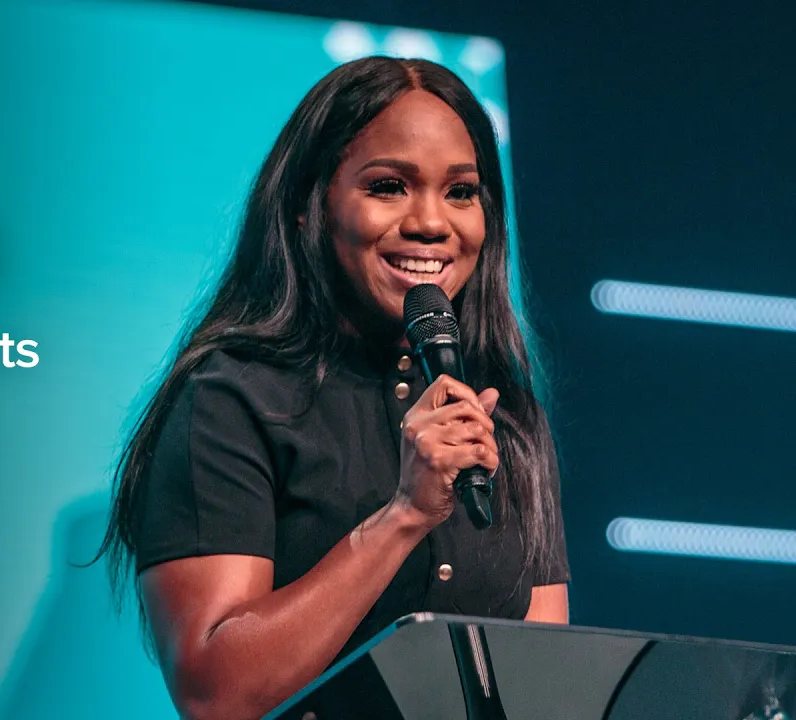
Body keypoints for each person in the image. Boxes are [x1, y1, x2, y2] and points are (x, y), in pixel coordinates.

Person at [96, 56, 570, 720]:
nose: (432, 222)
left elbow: (550, 682)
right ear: (306, 206)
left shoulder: (507, 414)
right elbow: (216, 695)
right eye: (388, 186)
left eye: (461, 192)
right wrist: (403, 515)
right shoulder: (231, 398)